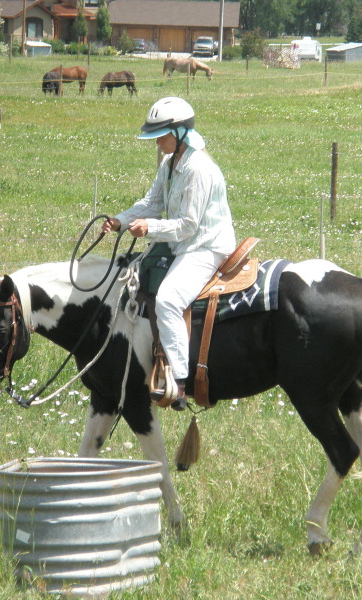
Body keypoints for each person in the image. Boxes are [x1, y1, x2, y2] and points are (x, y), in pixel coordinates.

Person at [102, 97, 236, 409]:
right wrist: (120, 221)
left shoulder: (199, 169)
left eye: (161, 136)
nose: (158, 143)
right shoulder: (170, 163)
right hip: (183, 243)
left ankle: (180, 380)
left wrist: (149, 228)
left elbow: (189, 225)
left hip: (207, 247)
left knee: (168, 299)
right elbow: (151, 202)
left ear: (179, 134)